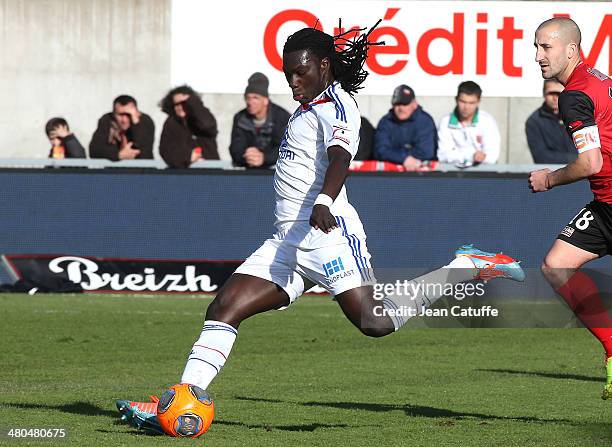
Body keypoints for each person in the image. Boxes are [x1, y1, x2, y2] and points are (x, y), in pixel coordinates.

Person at [117, 24, 524, 432]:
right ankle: (178, 403)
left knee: (375, 323)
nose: (293, 81)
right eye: (287, 73)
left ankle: (465, 265)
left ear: (324, 66)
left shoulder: (337, 104)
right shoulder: (307, 105)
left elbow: (340, 156)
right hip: (287, 239)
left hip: (327, 234)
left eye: (300, 72)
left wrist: (325, 201)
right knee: (223, 308)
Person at [528, 17, 612, 400]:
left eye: (546, 47)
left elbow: (590, 162)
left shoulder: (574, 95)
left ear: (571, 50)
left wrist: (549, 179)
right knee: (557, 264)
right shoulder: (601, 80)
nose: (538, 56)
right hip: (606, 205)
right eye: (536, 46)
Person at [229, 73, 290, 168]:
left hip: (274, 171)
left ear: (265, 100)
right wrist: (246, 156)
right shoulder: (240, 117)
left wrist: (264, 158)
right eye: (247, 98)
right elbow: (235, 148)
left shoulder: (282, 117)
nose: (250, 102)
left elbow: (286, 148)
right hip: (246, 169)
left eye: (255, 98)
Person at [373, 85, 437, 170]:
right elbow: (380, 150)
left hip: (422, 174)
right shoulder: (385, 122)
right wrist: (404, 158)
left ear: (414, 104)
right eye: (397, 104)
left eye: (405, 104)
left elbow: (426, 152)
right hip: (390, 174)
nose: (401, 108)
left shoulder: (425, 121)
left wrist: (394, 154)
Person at [437, 81, 500, 167]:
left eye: (471, 103)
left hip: (483, 175)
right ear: (456, 99)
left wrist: (457, 155)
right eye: (463, 101)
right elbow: (442, 156)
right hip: (453, 175)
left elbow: (492, 157)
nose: (466, 107)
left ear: (478, 102)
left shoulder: (487, 121)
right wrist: (472, 156)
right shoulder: (445, 122)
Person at [159, 85, 219, 168]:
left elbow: (208, 126)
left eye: (184, 103)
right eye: (176, 104)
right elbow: (165, 150)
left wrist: (192, 102)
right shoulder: (171, 123)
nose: (180, 107)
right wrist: (188, 156)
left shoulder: (203, 115)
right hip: (183, 173)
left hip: (210, 170)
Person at [526, 80, 577, 163]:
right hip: (551, 173)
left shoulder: (579, 116)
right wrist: (578, 159)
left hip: (582, 172)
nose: (555, 98)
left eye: (559, 94)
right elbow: (541, 157)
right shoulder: (534, 121)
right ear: (544, 94)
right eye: (551, 93)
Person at [89, 95, 155, 161]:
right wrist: (118, 155)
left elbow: (144, 152)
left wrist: (136, 123)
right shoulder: (107, 120)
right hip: (114, 169)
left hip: (141, 169)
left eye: (128, 115)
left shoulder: (145, 121)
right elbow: (94, 151)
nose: (124, 120)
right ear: (113, 114)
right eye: (120, 115)